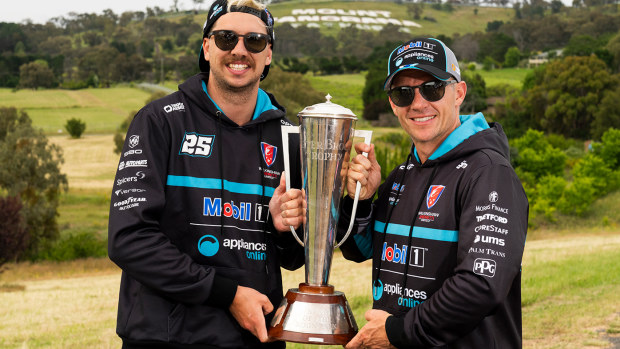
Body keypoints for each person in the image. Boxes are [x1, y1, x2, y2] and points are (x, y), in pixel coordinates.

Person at [279, 37, 529, 348]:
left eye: (432, 88)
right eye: (403, 93)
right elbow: (360, 249)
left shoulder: (489, 172)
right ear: (392, 104)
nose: (418, 103)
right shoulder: (401, 175)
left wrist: (398, 332)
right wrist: (362, 200)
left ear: (459, 93)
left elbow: (481, 285)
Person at [107, 1, 305, 348]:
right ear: (207, 46)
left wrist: (286, 228)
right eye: (226, 38)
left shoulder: (291, 137)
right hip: (165, 337)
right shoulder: (159, 121)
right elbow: (129, 239)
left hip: (254, 338)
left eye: (254, 41)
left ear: (269, 54)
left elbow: (294, 257)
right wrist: (226, 294)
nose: (239, 51)